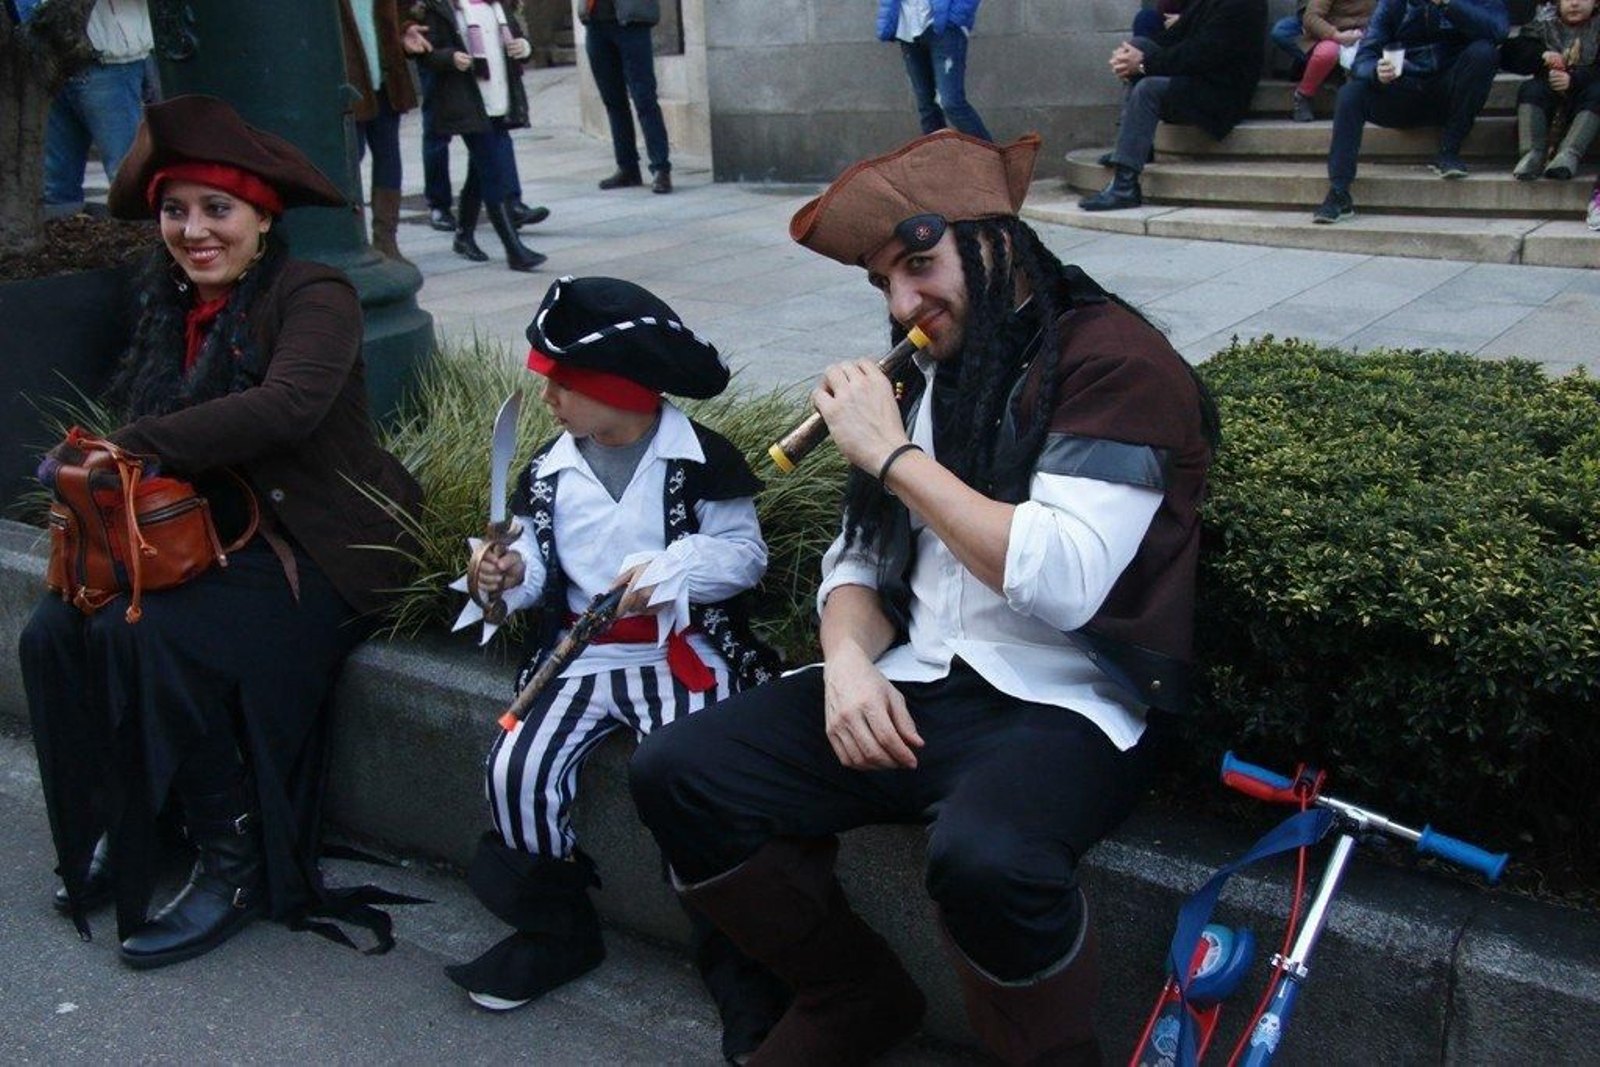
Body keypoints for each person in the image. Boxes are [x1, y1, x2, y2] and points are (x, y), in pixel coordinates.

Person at [628, 130, 1218, 1064]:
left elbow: (1061, 578)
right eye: (885, 285)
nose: (905, 303)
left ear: (997, 240)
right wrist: (850, 663)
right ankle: (852, 996)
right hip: (920, 678)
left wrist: (890, 454)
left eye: (919, 265)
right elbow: (860, 558)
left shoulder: (1116, 362)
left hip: (1067, 704)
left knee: (988, 858)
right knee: (679, 771)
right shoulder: (935, 366)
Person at [19, 95, 424, 969]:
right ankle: (127, 820)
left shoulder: (316, 292)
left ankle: (230, 861)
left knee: (161, 636)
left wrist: (132, 441)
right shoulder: (168, 303)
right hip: (207, 538)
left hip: (324, 546)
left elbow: (288, 408)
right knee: (57, 626)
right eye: (175, 210)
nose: (194, 231)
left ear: (262, 216)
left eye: (217, 209)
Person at [443, 276, 787, 1061]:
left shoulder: (703, 461)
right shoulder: (546, 467)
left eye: (564, 385)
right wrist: (502, 578)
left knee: (696, 784)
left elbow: (744, 556)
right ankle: (555, 929)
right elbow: (537, 566)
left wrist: (673, 569)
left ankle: (743, 969)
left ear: (619, 389)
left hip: (678, 653)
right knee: (516, 768)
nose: (551, 399)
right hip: (576, 653)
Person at [1313, 0, 1508, 224]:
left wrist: (1448, 4)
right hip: (1405, 91)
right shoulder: (1392, 5)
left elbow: (1498, 31)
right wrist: (1377, 71)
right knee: (1350, 93)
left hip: (1452, 92)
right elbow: (1363, 59)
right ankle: (1339, 191)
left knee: (1484, 53)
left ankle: (1449, 150)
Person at [1081, 0, 1267, 211]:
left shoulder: (1244, 5)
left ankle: (1125, 187)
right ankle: (1135, 147)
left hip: (1221, 93)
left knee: (1148, 89)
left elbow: (1201, 53)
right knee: (1141, 44)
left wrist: (1143, 64)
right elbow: (1177, 35)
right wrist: (1130, 55)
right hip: (1200, 77)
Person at [416, 0, 548, 271]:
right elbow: (427, 54)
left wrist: (524, 48)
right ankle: (515, 250)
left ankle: (464, 236)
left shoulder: (498, 7)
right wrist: (450, 58)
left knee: (480, 171)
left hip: (500, 101)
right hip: (467, 103)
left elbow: (520, 43)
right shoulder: (442, 8)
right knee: (492, 172)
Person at [37, 0, 153, 218]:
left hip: (111, 60)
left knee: (127, 175)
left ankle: (142, 241)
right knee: (55, 185)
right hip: (49, 59)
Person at [339, 0, 425, 264]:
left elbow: (403, 11)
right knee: (351, 159)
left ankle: (386, 240)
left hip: (386, 84)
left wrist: (407, 29)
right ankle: (351, 240)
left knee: (389, 157)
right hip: (350, 89)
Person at [579, 0, 673, 194]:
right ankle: (627, 167)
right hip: (595, 23)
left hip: (632, 23)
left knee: (644, 98)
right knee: (613, 101)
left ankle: (661, 168)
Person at [1507, 0, 1600, 179]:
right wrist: (1541, 56)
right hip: (1550, 92)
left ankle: (1569, 155)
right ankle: (1532, 154)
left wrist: (1574, 80)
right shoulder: (1543, 24)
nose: (1574, 3)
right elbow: (1510, 54)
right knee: (1531, 89)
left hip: (1587, 97)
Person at [877, 0, 993, 142]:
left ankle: (993, 160)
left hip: (944, 29)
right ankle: (939, 159)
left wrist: (955, 18)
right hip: (908, 30)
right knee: (927, 106)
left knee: (951, 103)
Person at [1293, 0, 1376, 121]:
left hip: (1365, 34)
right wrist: (1336, 35)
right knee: (1326, 53)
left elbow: (1386, 14)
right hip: (1332, 33)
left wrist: (1367, 33)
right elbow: (1311, 17)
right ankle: (1303, 95)